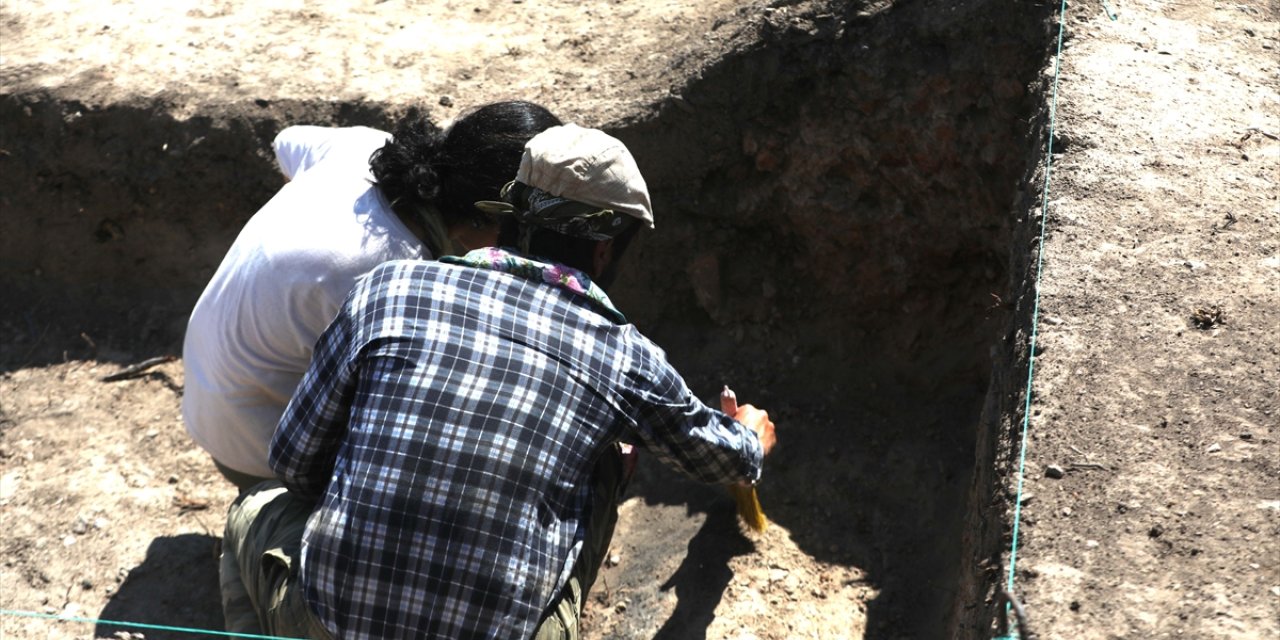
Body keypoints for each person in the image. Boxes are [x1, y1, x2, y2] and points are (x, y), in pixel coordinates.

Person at [220, 124, 778, 639]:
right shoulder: (625, 355)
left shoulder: (386, 292)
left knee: (251, 506)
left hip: (329, 623)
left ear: (511, 213)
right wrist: (750, 436)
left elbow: (294, 462)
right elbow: (723, 461)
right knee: (612, 453)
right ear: (605, 249)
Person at [182, 101, 562, 489]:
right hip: (255, 450)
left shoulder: (364, 148)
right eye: (525, 235)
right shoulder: (398, 279)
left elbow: (285, 142)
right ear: (487, 216)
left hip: (207, 394)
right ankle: (275, 520)